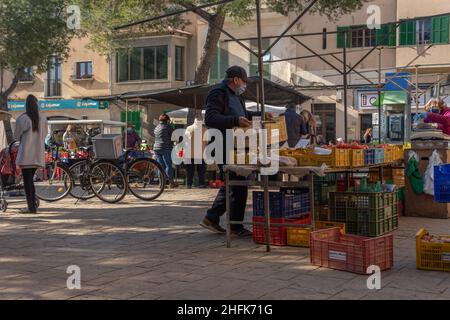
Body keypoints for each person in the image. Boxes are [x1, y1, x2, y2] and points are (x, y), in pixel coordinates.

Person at [201, 65, 272, 237]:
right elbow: (210, 118)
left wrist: (260, 114)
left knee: (236, 183)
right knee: (235, 183)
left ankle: (216, 219)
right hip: (222, 144)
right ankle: (230, 224)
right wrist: (235, 120)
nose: (245, 85)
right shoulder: (218, 92)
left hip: (237, 145)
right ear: (236, 80)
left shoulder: (237, 97)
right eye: (244, 81)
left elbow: (242, 113)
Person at [14, 94, 48, 214]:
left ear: (26, 105)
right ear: (37, 104)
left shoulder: (23, 118)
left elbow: (16, 136)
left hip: (26, 155)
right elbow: (45, 135)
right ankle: (32, 206)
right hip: (37, 155)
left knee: (28, 182)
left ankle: (31, 207)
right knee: (30, 181)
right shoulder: (43, 118)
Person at [154, 114, 178, 188]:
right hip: (165, 148)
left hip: (157, 148)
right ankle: (171, 183)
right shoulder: (168, 127)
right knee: (168, 165)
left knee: (160, 166)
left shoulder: (156, 127)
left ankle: (161, 184)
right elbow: (174, 137)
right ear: (167, 120)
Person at [184, 116, 207, 188]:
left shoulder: (189, 128)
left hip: (190, 153)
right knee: (201, 171)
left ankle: (189, 184)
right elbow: (207, 142)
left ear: (194, 121)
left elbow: (185, 140)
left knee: (190, 170)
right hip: (201, 153)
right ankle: (201, 184)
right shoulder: (205, 129)